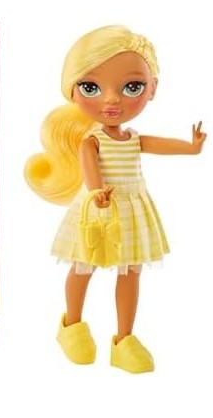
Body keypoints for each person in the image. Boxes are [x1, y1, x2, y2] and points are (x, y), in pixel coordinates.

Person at [25, 25, 207, 373]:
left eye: (131, 87)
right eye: (91, 87)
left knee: (131, 272)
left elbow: (158, 145)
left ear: (152, 88)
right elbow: (90, 170)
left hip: (131, 211)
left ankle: (124, 339)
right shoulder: (91, 141)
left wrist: (191, 147)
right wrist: (97, 194)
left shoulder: (133, 138)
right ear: (72, 90)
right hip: (97, 212)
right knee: (84, 266)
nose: (111, 100)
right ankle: (72, 326)